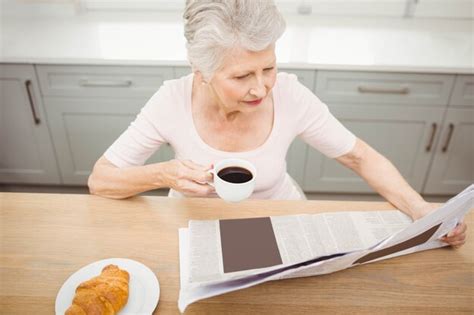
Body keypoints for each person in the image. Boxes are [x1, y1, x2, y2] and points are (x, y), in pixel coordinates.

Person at [88, 0, 466, 247]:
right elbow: (101, 180)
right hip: (195, 228)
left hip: (280, 223)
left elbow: (360, 157)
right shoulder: (172, 100)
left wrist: (421, 211)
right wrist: (164, 175)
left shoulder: (289, 93)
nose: (261, 87)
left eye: (268, 67)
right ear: (200, 70)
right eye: (241, 77)